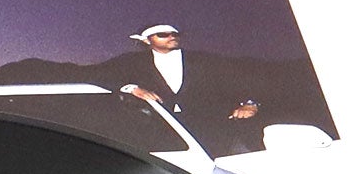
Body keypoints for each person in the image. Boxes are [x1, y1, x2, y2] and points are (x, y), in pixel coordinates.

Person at [109, 25, 263, 156]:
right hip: (159, 131)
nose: (171, 37)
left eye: (174, 34)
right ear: (147, 41)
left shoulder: (202, 59)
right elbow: (100, 75)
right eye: (163, 34)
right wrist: (133, 89)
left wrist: (251, 103)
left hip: (209, 129)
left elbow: (239, 79)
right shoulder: (132, 61)